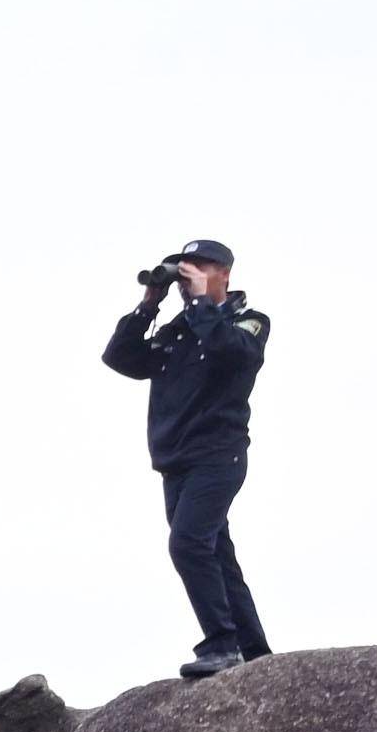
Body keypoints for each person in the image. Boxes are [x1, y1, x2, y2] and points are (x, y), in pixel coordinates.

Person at [105, 239, 272, 678]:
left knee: (188, 543)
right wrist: (149, 303)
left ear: (225, 274)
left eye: (200, 267)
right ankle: (254, 652)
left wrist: (201, 302)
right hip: (175, 460)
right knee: (216, 552)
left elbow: (229, 352)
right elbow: (121, 357)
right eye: (185, 269)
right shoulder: (178, 330)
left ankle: (221, 644)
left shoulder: (249, 321)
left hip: (218, 454)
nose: (189, 276)